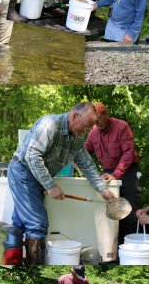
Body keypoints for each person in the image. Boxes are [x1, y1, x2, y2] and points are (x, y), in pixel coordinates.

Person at [8, 102, 116, 265]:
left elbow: (86, 164)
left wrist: (102, 189)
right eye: (86, 127)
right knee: (37, 224)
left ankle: (13, 262)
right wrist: (50, 185)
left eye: (89, 129)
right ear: (74, 116)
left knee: (21, 223)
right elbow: (32, 156)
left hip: (37, 177)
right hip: (22, 172)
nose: (86, 132)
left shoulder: (77, 139)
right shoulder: (49, 125)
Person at [84, 102, 140, 244]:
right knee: (109, 210)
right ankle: (111, 247)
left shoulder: (121, 127)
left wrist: (116, 175)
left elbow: (128, 154)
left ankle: (128, 248)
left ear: (106, 115)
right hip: (108, 173)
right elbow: (84, 153)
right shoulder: (93, 133)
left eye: (99, 119)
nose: (97, 123)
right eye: (94, 121)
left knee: (129, 211)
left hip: (129, 172)